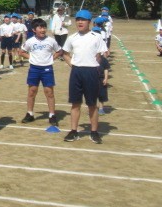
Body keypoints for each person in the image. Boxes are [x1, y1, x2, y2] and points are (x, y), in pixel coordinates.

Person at [62, 10, 108, 144]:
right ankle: (73, 131)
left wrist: (93, 64)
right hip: (76, 72)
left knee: (92, 104)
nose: (80, 22)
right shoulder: (72, 37)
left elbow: (102, 54)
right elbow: (65, 53)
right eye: (78, 20)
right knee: (75, 103)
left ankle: (94, 132)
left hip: (91, 72)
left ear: (89, 22)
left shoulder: (96, 37)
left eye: (83, 20)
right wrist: (73, 65)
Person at [18, 18, 62, 126]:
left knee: (49, 92)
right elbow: (21, 52)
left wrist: (51, 58)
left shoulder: (51, 40)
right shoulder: (30, 41)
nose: (43, 30)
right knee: (32, 91)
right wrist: (31, 58)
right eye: (40, 28)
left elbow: (59, 51)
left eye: (44, 27)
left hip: (47, 69)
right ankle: (30, 114)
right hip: (34, 69)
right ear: (34, 30)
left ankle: (52, 115)